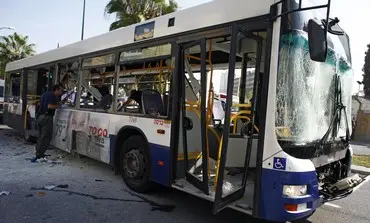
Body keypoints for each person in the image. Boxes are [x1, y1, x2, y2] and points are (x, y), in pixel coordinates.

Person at [31, 85, 63, 162]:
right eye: (60, 91)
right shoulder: (52, 95)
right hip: (47, 118)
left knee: (41, 136)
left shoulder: (45, 94)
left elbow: (39, 104)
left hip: (40, 117)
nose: (61, 92)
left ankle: (38, 152)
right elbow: (50, 106)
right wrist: (59, 106)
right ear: (57, 90)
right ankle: (39, 155)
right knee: (46, 136)